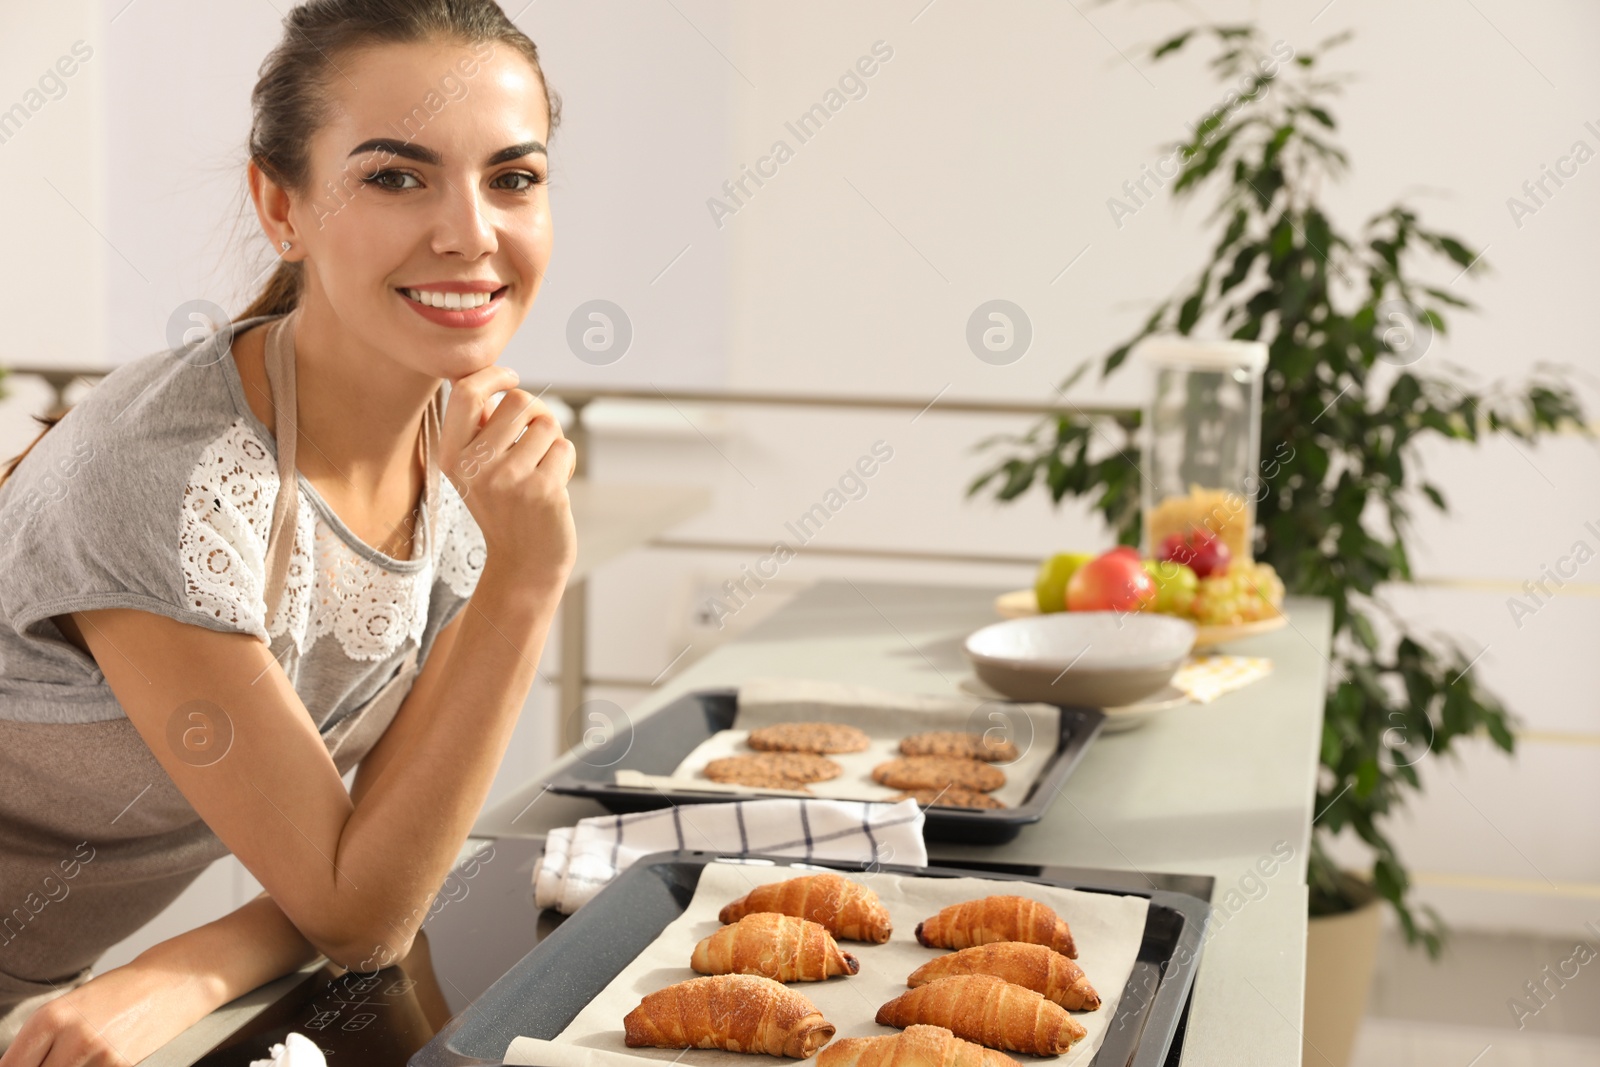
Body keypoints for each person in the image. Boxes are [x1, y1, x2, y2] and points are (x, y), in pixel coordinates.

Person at [0, 2, 572, 1062]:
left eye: (512, 177)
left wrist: (187, 967)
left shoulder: (471, 457)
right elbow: (359, 905)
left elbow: (381, 873)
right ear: (281, 205)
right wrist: (528, 583)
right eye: (395, 176)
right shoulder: (172, 476)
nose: (468, 231)